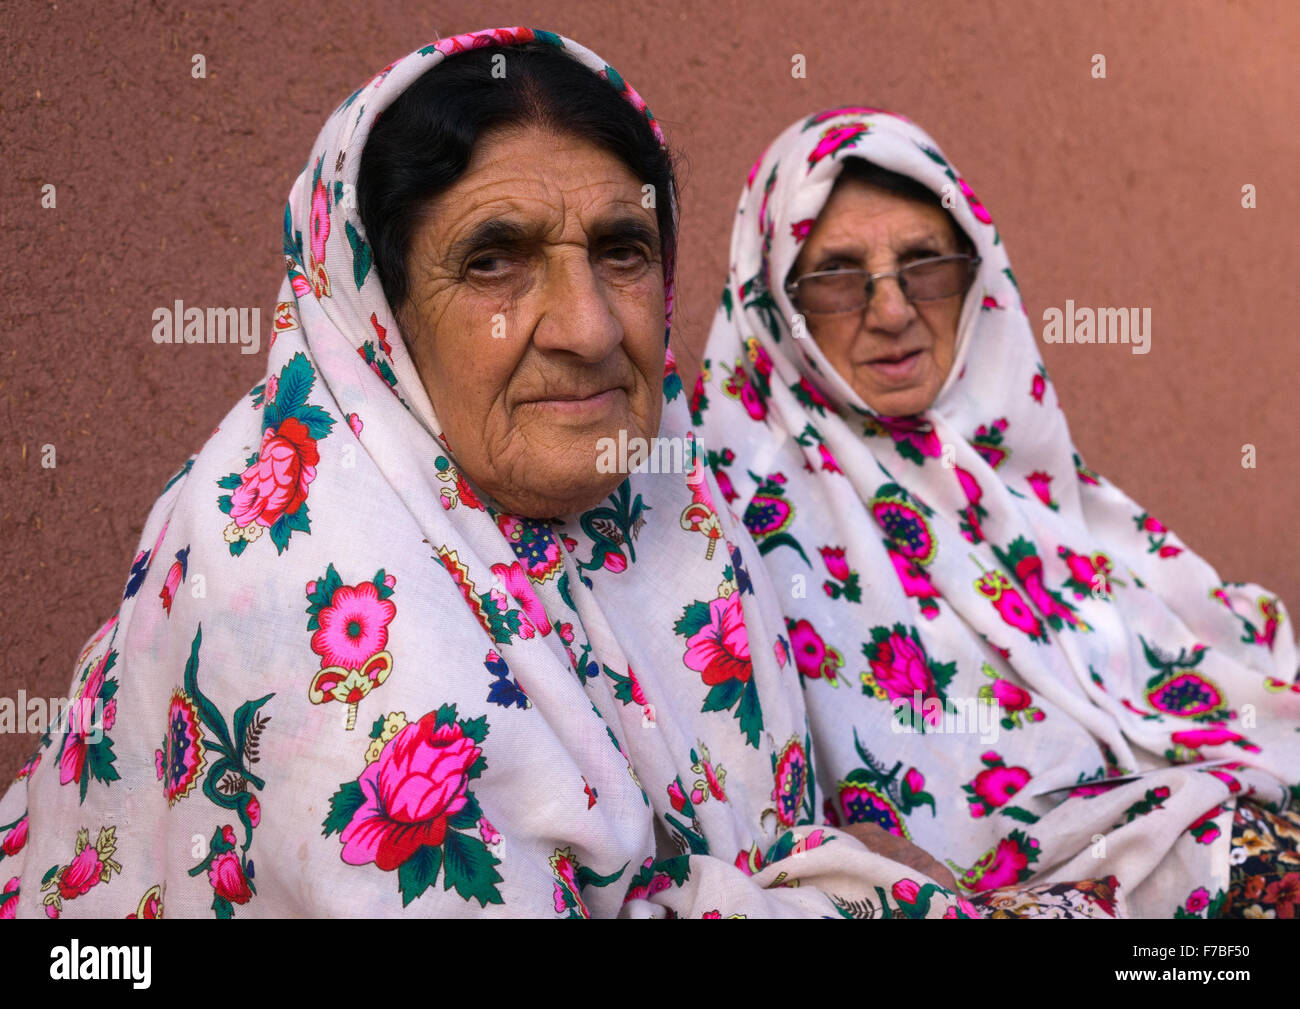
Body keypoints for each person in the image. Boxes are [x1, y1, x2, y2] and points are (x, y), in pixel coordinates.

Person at [0, 30, 1066, 920]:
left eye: (622, 250)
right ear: (374, 308)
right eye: (493, 260)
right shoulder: (308, 582)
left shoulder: (666, 503)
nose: (592, 330)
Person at [691, 106, 1300, 918]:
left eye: (924, 263)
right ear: (774, 299)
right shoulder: (727, 516)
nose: (893, 310)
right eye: (838, 274)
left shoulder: (1007, 466)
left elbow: (1198, 662)